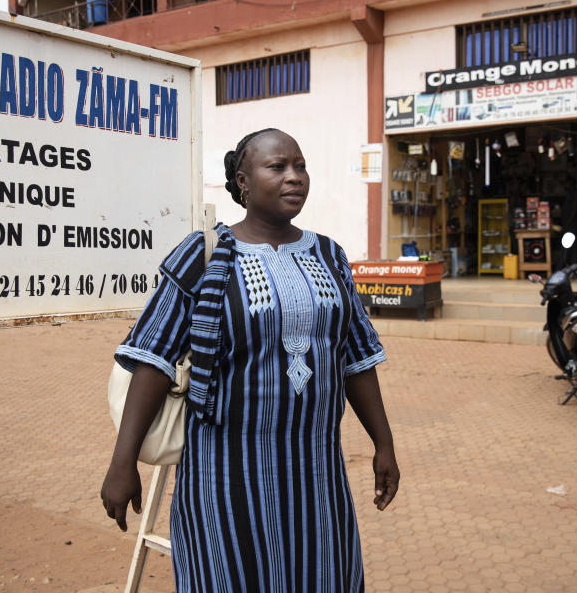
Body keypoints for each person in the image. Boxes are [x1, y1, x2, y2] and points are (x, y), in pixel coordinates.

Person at [100, 128, 400, 591]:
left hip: (315, 475)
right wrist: (124, 463)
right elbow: (151, 360)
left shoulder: (329, 255)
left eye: (299, 166)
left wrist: (384, 442)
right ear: (242, 181)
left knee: (323, 577)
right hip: (225, 478)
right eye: (277, 167)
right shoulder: (202, 255)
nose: (294, 177)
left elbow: (356, 359)